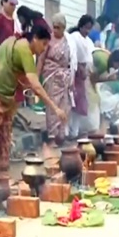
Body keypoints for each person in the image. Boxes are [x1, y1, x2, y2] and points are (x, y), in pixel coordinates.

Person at [0, 26, 67, 176]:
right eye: (44, 44)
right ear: (35, 39)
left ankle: (2, 178)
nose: (45, 48)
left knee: (5, 136)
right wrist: (55, 109)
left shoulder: (25, 49)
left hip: (5, 94)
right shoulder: (23, 49)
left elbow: (23, 79)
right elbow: (34, 83)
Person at [37, 13, 76, 144]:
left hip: (64, 78)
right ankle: (53, 137)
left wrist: (72, 80)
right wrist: (36, 78)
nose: (56, 30)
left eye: (59, 27)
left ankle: (61, 135)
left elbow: (72, 61)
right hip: (51, 77)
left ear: (64, 27)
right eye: (54, 27)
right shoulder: (48, 40)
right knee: (53, 107)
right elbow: (41, 59)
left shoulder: (68, 41)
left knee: (65, 106)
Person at [68, 15, 96, 139]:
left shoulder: (88, 41)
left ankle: (75, 131)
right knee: (71, 103)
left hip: (83, 76)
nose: (87, 31)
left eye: (90, 28)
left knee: (79, 105)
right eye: (86, 28)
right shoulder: (75, 37)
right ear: (81, 26)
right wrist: (81, 69)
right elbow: (75, 57)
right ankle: (69, 131)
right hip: (74, 74)